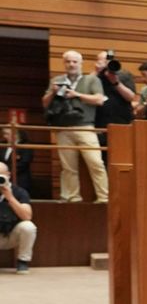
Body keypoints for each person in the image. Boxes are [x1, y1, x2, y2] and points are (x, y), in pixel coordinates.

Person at [42, 49, 109, 203]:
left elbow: (99, 100)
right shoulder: (57, 80)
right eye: (68, 61)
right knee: (68, 167)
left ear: (81, 64)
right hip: (63, 127)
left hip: (85, 126)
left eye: (74, 62)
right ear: (64, 63)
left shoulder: (91, 80)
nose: (71, 65)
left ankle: (104, 197)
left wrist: (76, 95)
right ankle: (72, 197)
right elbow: (45, 103)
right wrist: (53, 92)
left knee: (96, 163)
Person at [0, 161, 35, 273]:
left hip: (11, 235)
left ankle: (23, 261)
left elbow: (27, 216)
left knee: (28, 226)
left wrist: (10, 197)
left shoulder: (19, 192)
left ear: (8, 175)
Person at [94, 50, 138, 137]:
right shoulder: (95, 77)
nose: (106, 63)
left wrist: (116, 82)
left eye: (108, 60)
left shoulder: (124, 74)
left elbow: (131, 97)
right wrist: (97, 72)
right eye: (102, 60)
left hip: (121, 122)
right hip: (100, 123)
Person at [0, 126, 33, 196]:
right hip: (3, 179)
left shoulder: (25, 146)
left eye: (7, 134)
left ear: (16, 135)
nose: (5, 136)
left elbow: (24, 163)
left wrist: (7, 172)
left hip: (20, 180)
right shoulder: (2, 145)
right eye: (4, 134)